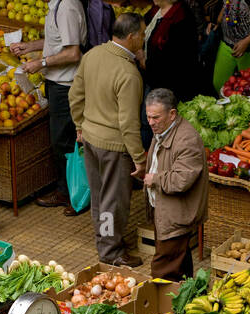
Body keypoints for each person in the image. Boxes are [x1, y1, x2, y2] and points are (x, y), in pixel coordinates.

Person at [70, 14, 148, 267]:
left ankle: (103, 240)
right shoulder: (128, 73)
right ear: (131, 37)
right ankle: (110, 251)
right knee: (113, 201)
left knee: (100, 196)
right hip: (113, 147)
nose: (144, 38)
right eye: (143, 34)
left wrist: (79, 125)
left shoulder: (92, 55)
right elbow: (128, 123)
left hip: (90, 139)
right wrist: (139, 157)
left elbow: (75, 95)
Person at [14, 0, 87, 215]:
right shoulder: (56, 5)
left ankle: (72, 194)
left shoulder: (66, 7)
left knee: (65, 141)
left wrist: (41, 63)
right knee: (62, 140)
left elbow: (73, 52)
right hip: (57, 82)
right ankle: (70, 191)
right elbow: (60, 41)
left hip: (67, 85)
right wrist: (32, 46)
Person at [142, 88, 207, 280]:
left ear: (172, 114)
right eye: (148, 117)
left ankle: (161, 307)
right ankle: (187, 298)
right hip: (164, 209)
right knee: (178, 258)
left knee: (163, 267)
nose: (151, 123)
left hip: (176, 214)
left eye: (156, 117)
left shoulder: (187, 139)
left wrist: (155, 179)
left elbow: (181, 180)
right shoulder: (163, 130)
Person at [143, 0, 201, 119]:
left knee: (159, 120)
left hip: (171, 84)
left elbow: (176, 60)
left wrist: (144, 62)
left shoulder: (181, 18)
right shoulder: (155, 11)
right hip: (153, 78)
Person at [212, 0, 250, 94]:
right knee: (219, 83)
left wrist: (246, 42)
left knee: (248, 88)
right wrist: (217, 21)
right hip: (226, 43)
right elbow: (227, 4)